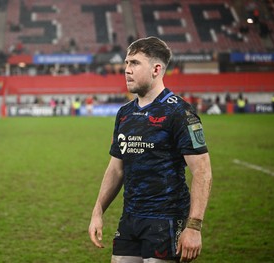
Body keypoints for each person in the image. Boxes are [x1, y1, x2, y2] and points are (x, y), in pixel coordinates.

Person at [88, 37, 212, 263]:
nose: (126, 70)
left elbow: (202, 171)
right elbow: (116, 169)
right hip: (131, 218)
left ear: (156, 69)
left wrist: (194, 226)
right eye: (126, 63)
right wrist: (98, 211)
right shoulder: (124, 113)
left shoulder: (180, 112)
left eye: (134, 63)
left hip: (166, 220)